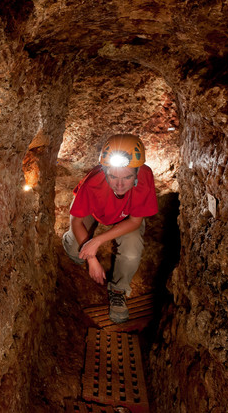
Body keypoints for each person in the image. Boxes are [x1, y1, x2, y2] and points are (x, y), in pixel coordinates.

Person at [62, 134, 158, 323]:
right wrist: (91, 259)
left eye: (127, 177)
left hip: (126, 217)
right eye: (113, 176)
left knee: (132, 249)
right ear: (105, 171)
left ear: (137, 173)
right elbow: (76, 221)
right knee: (76, 248)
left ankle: (118, 290)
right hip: (95, 211)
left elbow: (135, 222)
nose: (119, 184)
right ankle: (70, 241)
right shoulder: (93, 183)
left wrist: (97, 241)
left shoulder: (145, 177)